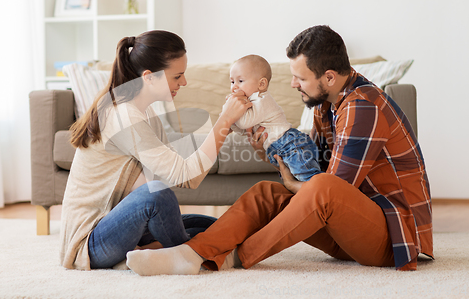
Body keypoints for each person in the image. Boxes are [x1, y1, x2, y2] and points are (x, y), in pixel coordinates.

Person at [126, 25, 433, 275]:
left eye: (300, 78)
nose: (293, 85)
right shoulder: (326, 105)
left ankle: (233, 258)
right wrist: (268, 154)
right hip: (352, 226)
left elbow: (333, 190)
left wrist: (294, 185)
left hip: (395, 237)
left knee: (322, 187)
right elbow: (315, 166)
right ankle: (193, 254)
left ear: (328, 76)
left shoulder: (362, 106)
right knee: (266, 193)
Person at [59, 30, 252, 270]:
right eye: (177, 76)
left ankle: (153, 253)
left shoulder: (145, 112)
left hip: (123, 226)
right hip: (90, 244)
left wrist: (229, 124)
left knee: (215, 226)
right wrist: (222, 122)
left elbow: (183, 174)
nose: (184, 82)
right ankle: (192, 256)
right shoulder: (123, 115)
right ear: (149, 77)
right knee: (157, 195)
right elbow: (181, 178)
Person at [226, 54, 321, 182]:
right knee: (300, 181)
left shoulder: (262, 100)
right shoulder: (250, 105)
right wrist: (230, 124)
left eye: (240, 81)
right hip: (278, 149)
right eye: (232, 82)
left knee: (310, 181)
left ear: (262, 84)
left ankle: (329, 195)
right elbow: (245, 130)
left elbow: (243, 123)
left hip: (290, 144)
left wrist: (228, 111)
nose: (234, 87)